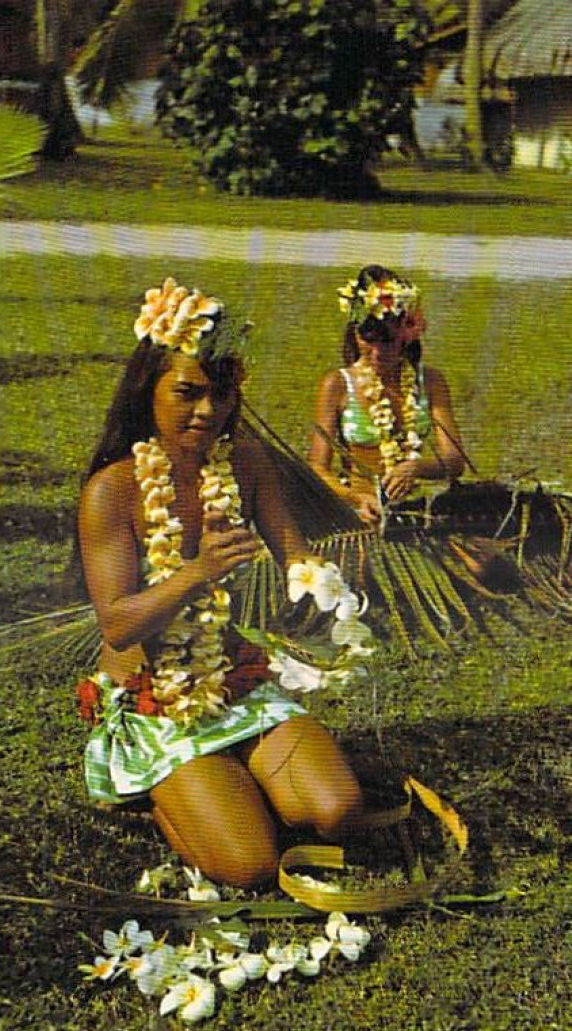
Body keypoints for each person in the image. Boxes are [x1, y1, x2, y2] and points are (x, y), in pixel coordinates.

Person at [76, 277, 364, 889]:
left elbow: (296, 555)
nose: (208, 411)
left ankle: (234, 772)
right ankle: (160, 797)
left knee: (336, 812)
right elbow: (118, 622)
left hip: (233, 676)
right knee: (252, 866)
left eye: (222, 394)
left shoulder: (247, 463)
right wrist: (200, 570)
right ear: (146, 390)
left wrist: (332, 599)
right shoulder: (114, 490)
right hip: (156, 699)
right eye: (188, 393)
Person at [310, 265, 466, 523]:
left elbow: (455, 460)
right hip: (363, 512)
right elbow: (317, 468)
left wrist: (416, 468)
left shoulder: (431, 382)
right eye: (368, 340)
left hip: (420, 510)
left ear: (406, 336)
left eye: (388, 342)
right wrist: (358, 499)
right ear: (355, 334)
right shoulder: (337, 384)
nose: (377, 352)